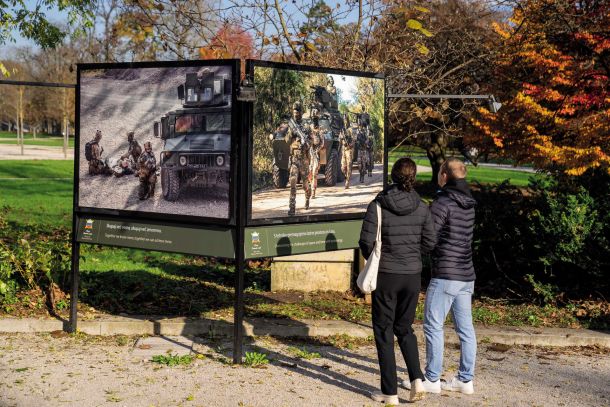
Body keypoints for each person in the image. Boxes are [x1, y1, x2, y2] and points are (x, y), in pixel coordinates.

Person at [359, 157, 436, 404]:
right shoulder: (422, 206)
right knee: (404, 328)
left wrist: (374, 258)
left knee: (383, 331)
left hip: (386, 275)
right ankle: (417, 381)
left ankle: (390, 393)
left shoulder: (378, 205)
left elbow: (365, 242)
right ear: (413, 177)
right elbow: (430, 242)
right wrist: (413, 255)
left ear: (392, 175)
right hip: (412, 275)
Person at [421, 157, 477, 395]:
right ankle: (465, 380)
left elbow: (429, 237)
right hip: (466, 274)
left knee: (433, 326)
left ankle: (432, 379)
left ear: (444, 175)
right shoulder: (470, 203)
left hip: (446, 273)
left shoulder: (443, 202)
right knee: (466, 330)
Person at [286, 101, 311, 216]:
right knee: (293, 182)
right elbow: (286, 141)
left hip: (304, 160)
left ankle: (307, 197)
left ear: (301, 112)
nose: (295, 114)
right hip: (294, 159)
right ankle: (292, 207)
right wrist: (291, 133)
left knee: (305, 185)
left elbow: (312, 142)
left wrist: (305, 144)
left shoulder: (306, 126)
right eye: (294, 112)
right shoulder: (291, 126)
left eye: (297, 112)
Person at [308, 109, 325, 199]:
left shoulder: (320, 129)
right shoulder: (309, 128)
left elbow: (322, 142)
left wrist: (317, 150)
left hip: (316, 154)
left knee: (314, 172)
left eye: (316, 117)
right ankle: (310, 187)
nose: (315, 118)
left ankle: (313, 191)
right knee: (309, 173)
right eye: (313, 116)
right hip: (308, 154)